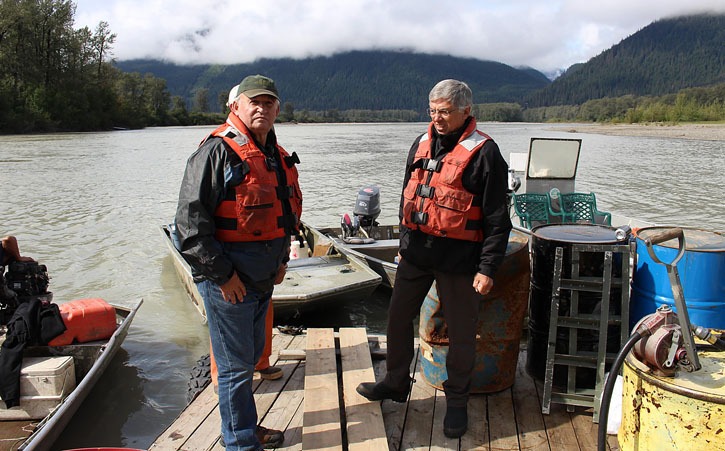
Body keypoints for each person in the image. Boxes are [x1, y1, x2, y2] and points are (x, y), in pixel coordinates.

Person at [356, 79, 512, 438]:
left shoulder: (486, 153)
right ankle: (395, 382)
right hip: (415, 255)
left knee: (460, 335)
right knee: (396, 317)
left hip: (460, 261)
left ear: (466, 112)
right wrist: (403, 242)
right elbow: (407, 196)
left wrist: (487, 268)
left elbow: (497, 219)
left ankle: (457, 402)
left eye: (445, 112)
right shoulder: (421, 143)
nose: (438, 118)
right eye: (433, 111)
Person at [175, 74, 302, 450]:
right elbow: (189, 227)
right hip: (228, 282)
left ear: (278, 109)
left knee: (247, 363)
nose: (262, 108)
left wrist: (281, 262)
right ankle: (241, 443)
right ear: (236, 107)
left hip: (263, 279)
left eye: (269, 103)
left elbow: (284, 216)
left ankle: (245, 428)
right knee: (234, 370)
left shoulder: (275, 154)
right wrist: (224, 276)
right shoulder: (215, 152)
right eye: (254, 102)